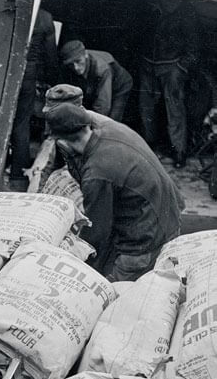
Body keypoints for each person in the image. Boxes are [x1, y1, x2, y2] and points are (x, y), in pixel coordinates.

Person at [44, 102, 184, 281]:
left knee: (113, 293)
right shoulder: (113, 129)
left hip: (144, 242)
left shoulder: (97, 173)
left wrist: (73, 261)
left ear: (62, 141)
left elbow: (96, 233)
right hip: (169, 215)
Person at [138, 0, 200, 168]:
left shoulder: (185, 13)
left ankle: (179, 151)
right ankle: (147, 146)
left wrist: (180, 68)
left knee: (175, 110)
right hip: (148, 64)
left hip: (171, 66)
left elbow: (194, 48)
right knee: (145, 107)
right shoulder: (152, 8)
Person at [9, 8, 59, 190]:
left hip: (5, 68)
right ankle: (17, 178)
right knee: (22, 124)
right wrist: (52, 82)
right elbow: (51, 56)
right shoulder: (45, 17)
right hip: (28, 74)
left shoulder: (15, 6)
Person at [59, 40, 133, 121]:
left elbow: (102, 107)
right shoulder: (67, 67)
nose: (75, 68)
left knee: (112, 120)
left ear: (86, 55)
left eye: (78, 61)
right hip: (95, 84)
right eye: (71, 64)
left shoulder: (102, 68)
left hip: (119, 86)